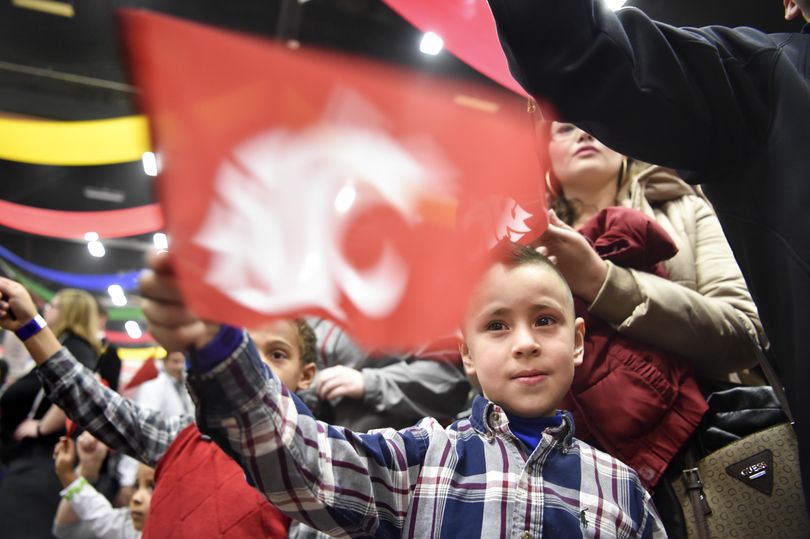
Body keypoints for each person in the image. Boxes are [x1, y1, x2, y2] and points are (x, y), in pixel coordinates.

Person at [486, 0, 810, 506]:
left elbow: (745, 333)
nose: (585, 133)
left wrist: (600, 280)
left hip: (698, 469)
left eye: (593, 126)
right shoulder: (518, 243)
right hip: (563, 480)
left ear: (625, 139)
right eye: (567, 127)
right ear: (544, 151)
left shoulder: (685, 208)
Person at [137, 247, 666, 537]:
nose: (525, 343)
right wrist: (220, 347)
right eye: (498, 326)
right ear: (466, 354)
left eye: (545, 320)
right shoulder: (420, 459)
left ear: (577, 343)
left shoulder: (623, 492)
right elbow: (303, 461)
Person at [0, 275, 316, 539]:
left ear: (306, 375)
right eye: (247, 350)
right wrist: (30, 326)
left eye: (277, 355)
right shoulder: (180, 435)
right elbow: (95, 403)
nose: (256, 366)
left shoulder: (313, 466)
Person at [0, 287, 102, 538]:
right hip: (29, 460)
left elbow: (77, 392)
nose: (48, 310)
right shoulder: (65, 344)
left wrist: (42, 426)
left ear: (69, 312)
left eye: (53, 306)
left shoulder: (76, 347)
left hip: (39, 461)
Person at [52, 431, 153, 539]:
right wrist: (85, 471)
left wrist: (67, 475)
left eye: (152, 487)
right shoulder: (129, 527)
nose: (136, 497)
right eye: (136, 486)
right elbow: (67, 531)